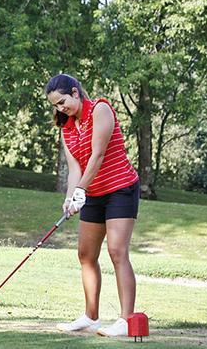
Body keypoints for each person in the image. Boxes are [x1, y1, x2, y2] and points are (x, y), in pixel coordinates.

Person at [46, 74, 140, 337]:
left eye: (63, 102)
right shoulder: (67, 126)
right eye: (56, 105)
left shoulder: (101, 109)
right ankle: (91, 317)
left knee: (117, 251)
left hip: (120, 188)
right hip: (92, 193)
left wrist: (80, 191)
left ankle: (125, 320)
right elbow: (75, 166)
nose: (60, 108)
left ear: (75, 93)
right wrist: (70, 197)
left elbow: (97, 155)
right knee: (86, 255)